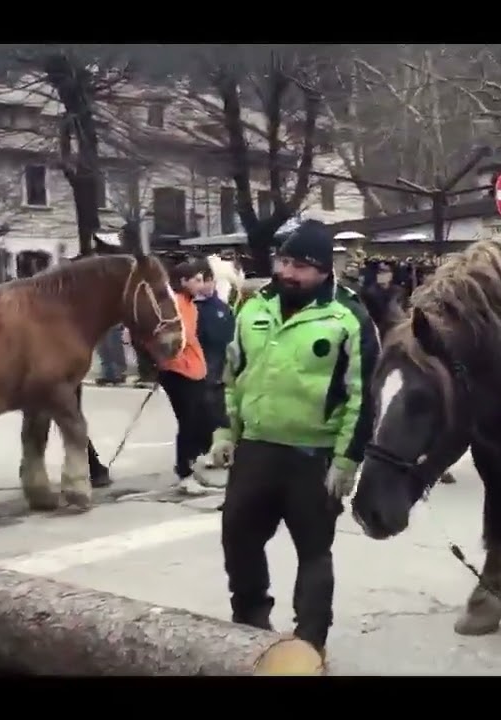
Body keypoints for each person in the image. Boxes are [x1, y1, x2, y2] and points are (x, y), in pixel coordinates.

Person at [209, 219, 379, 660]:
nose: (288, 272)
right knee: (238, 536)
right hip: (258, 448)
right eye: (285, 261)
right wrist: (226, 430)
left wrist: (347, 460)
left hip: (314, 456)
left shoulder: (349, 317)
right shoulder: (254, 308)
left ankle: (309, 643)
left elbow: (364, 397)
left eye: (301, 266)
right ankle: (250, 621)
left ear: (324, 271)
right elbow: (232, 375)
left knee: (313, 550)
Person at [159, 260, 214, 496]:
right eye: (197, 280)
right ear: (183, 281)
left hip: (195, 369)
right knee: (188, 422)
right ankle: (185, 472)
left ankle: (191, 463)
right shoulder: (174, 306)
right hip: (178, 370)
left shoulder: (192, 305)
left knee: (199, 420)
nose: (201, 285)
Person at [195, 264, 236, 468]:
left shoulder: (222, 307)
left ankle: (222, 451)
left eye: (205, 280)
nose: (202, 285)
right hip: (200, 367)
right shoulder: (191, 308)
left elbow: (230, 337)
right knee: (203, 413)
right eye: (199, 280)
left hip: (220, 365)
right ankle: (204, 451)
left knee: (221, 412)